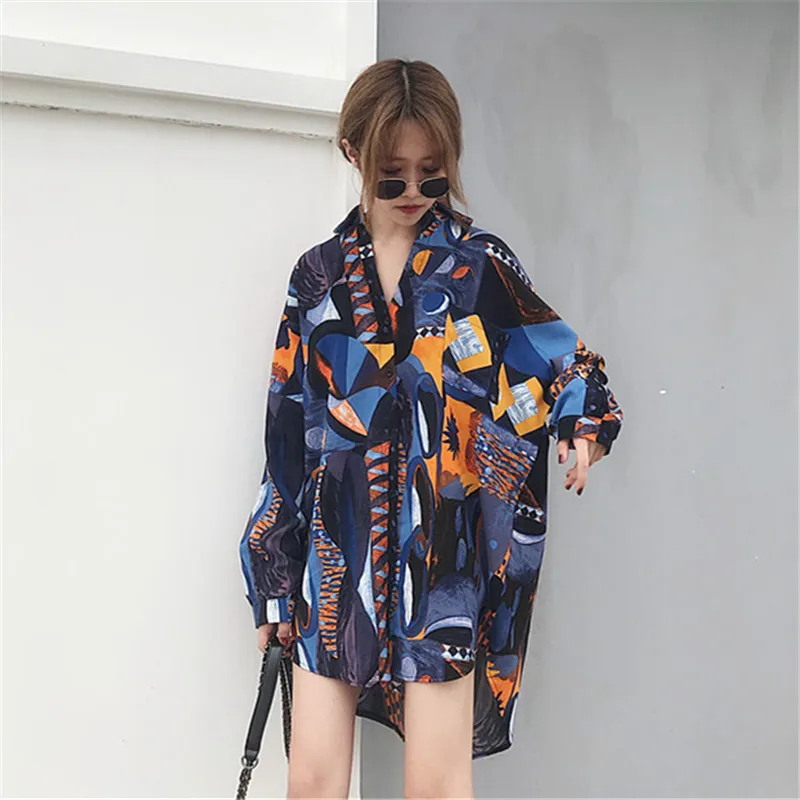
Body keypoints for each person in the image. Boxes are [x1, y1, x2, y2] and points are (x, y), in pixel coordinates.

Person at [239, 58, 624, 799]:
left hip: (441, 564)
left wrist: (581, 423)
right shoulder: (318, 280)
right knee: (312, 781)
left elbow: (562, 360)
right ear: (353, 154)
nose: (413, 192)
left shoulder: (478, 269)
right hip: (335, 557)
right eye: (392, 176)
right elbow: (287, 433)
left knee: (437, 786)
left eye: (432, 174)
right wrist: (274, 579)